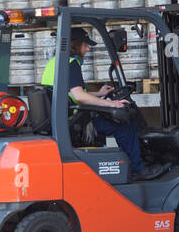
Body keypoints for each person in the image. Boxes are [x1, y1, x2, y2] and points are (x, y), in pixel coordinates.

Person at [41, 27, 167, 182]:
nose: (87, 48)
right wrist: (112, 104)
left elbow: (67, 94)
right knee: (125, 127)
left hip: (63, 118)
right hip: (76, 120)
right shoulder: (71, 63)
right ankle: (138, 169)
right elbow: (79, 96)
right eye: (85, 44)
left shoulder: (54, 63)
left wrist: (99, 94)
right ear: (75, 45)